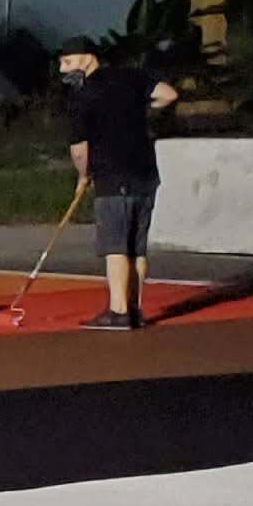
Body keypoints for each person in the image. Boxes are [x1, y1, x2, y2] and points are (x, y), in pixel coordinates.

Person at [59, 38, 182, 331]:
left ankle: (118, 311)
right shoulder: (131, 76)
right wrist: (143, 107)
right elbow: (168, 94)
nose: (63, 70)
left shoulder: (84, 96)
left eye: (67, 62)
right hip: (145, 173)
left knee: (115, 245)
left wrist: (83, 175)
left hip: (113, 176)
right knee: (137, 248)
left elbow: (79, 149)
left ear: (87, 58)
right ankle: (135, 309)